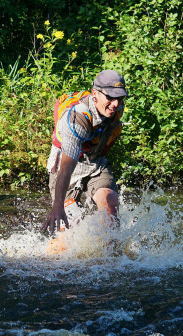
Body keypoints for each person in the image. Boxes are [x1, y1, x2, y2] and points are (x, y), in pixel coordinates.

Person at [42, 69, 128, 244]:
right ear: (95, 94)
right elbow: (66, 168)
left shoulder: (115, 108)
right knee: (68, 235)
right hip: (65, 166)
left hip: (95, 162)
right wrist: (57, 205)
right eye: (110, 97)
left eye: (120, 98)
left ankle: (111, 262)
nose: (116, 103)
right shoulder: (77, 120)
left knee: (110, 202)